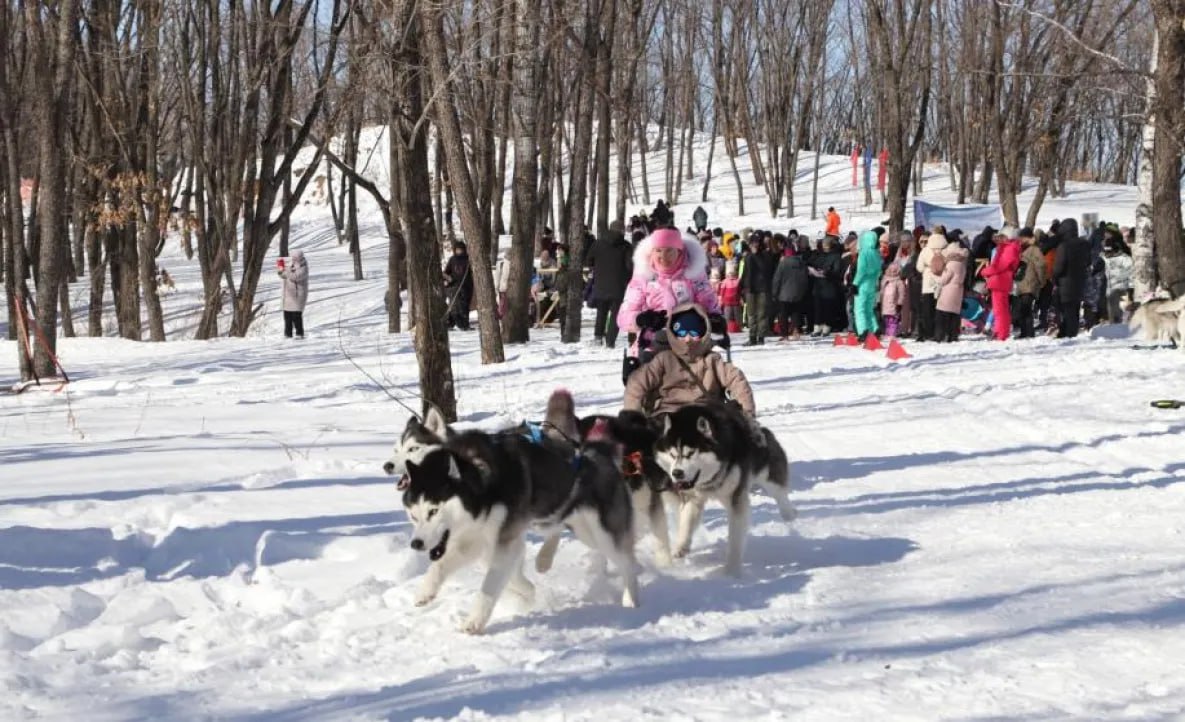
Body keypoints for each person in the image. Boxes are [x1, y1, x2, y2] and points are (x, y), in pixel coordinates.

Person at [623, 304, 754, 416]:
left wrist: (746, 419)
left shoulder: (712, 360)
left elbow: (737, 381)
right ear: (673, 335)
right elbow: (637, 383)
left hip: (706, 415)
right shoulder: (664, 359)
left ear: (703, 334)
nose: (687, 339)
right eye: (681, 334)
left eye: (693, 333)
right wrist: (633, 420)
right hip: (669, 414)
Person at [617, 227, 720, 359]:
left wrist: (715, 320)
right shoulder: (643, 277)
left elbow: (710, 305)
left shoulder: (694, 274)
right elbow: (623, 317)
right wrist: (641, 319)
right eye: (658, 251)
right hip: (652, 346)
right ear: (652, 251)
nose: (663, 257)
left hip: (689, 344)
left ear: (679, 250)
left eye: (669, 251)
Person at [586, 219, 633, 347]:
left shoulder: (598, 244)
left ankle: (597, 337)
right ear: (622, 231)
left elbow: (588, 260)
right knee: (615, 314)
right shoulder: (626, 246)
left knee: (601, 312)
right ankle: (610, 341)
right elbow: (630, 266)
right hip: (619, 285)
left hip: (601, 283)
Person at [1052, 218, 1090, 338]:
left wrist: (1055, 277)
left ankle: (1069, 332)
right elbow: (1088, 261)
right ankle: (1070, 331)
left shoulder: (1064, 246)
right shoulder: (1084, 244)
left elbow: (1059, 265)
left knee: (1067, 309)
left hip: (1066, 281)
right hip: (1080, 280)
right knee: (1075, 308)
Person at [981, 234, 1021, 341]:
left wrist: (985, 271)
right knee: (1001, 309)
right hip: (1001, 282)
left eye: (1001, 236)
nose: (998, 239)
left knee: (1000, 310)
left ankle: (1001, 333)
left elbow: (999, 266)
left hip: (1000, 282)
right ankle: (999, 331)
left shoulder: (1009, 248)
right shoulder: (1009, 248)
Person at [1013, 228, 1048, 338]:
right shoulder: (1021, 249)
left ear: (1029, 237)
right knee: (1022, 309)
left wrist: (1041, 281)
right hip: (1021, 283)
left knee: (1026, 309)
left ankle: (1028, 332)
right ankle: (1025, 332)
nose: (1020, 239)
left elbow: (1041, 265)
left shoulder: (1034, 249)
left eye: (1023, 237)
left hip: (1030, 283)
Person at [771, 243, 809, 340]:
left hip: (784, 294)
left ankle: (785, 335)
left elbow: (777, 279)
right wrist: (803, 291)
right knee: (795, 312)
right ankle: (796, 330)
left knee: (783, 314)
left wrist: (774, 293)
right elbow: (805, 278)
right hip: (798, 293)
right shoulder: (801, 263)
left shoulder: (783, 263)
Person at [852, 229, 883, 339]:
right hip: (872, 284)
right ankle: (874, 329)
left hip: (862, 284)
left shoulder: (863, 253)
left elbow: (861, 271)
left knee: (859, 309)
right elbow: (879, 271)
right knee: (869, 310)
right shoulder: (877, 254)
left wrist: (855, 283)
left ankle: (863, 331)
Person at [279, 249, 309, 339]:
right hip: (288, 294)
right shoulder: (290, 264)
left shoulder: (303, 267)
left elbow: (295, 277)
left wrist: (286, 270)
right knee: (287, 315)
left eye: (295, 257)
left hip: (297, 295)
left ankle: (299, 333)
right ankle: (287, 334)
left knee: (296, 315)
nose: (293, 259)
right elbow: (283, 275)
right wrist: (280, 269)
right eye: (293, 257)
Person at [444, 241, 473, 330]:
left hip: (466, 286)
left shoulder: (468, 260)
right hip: (453, 286)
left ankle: (464, 324)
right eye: (457, 250)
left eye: (460, 249)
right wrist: (447, 279)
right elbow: (446, 272)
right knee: (454, 305)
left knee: (464, 305)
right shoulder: (452, 259)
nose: (459, 251)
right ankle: (450, 323)